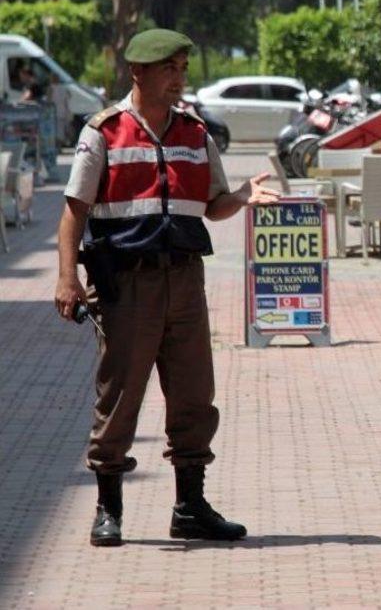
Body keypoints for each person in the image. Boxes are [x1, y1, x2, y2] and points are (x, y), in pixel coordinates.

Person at [54, 28, 279, 547]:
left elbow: (213, 204)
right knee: (120, 396)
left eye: (182, 69)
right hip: (126, 286)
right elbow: (74, 211)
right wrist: (67, 277)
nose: (180, 80)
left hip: (184, 281)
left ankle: (190, 506)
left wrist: (243, 196)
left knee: (194, 395)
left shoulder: (195, 134)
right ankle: (108, 508)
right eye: (169, 70)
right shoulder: (103, 133)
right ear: (139, 72)